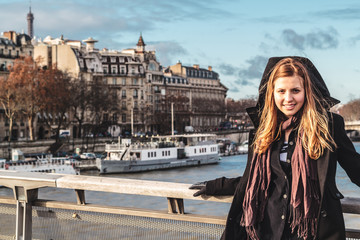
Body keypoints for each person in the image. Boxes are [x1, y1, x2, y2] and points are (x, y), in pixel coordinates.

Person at [190, 56, 360, 240]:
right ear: (272, 93)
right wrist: (217, 186)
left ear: (307, 91)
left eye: (295, 90)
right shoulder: (264, 130)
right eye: (281, 91)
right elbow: (256, 179)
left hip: (311, 231)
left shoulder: (328, 126)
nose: (288, 98)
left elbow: (355, 167)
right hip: (267, 229)